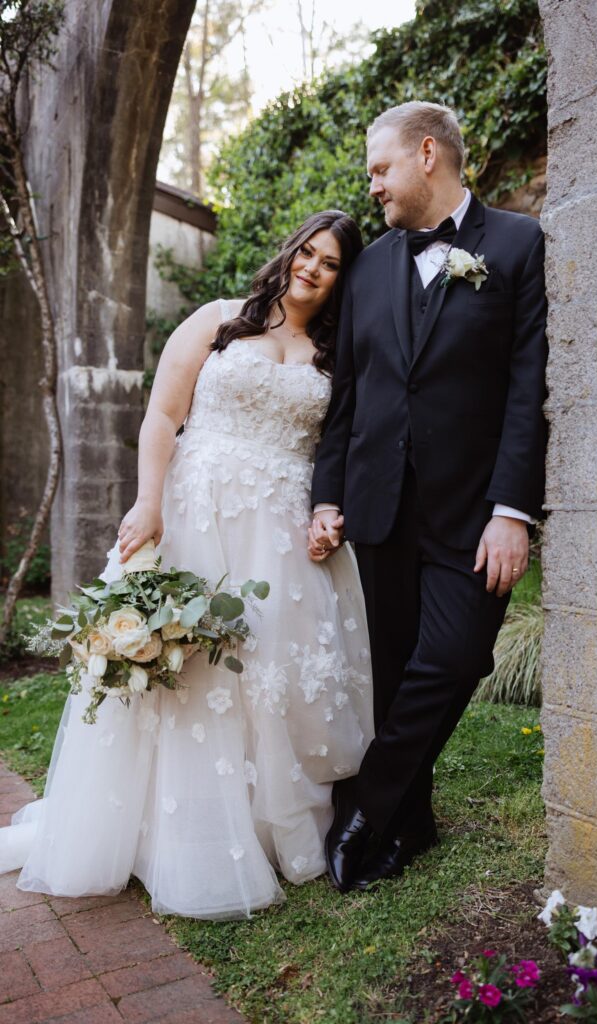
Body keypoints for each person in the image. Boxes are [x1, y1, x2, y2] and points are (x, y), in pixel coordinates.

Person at [0, 210, 374, 919]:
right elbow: (161, 417)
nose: (312, 269)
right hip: (197, 511)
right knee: (189, 667)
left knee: (272, 672)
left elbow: (340, 446)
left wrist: (328, 512)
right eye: (306, 252)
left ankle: (271, 823)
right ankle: (176, 829)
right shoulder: (218, 320)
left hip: (282, 530)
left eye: (329, 263)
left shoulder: (334, 354)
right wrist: (149, 506)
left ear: (339, 279)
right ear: (288, 250)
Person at [308, 102, 547, 892]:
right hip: (377, 507)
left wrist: (511, 509)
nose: (372, 185)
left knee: (452, 659)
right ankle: (411, 826)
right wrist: (327, 497)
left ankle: (363, 809)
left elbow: (527, 387)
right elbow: (350, 394)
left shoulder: (515, 244)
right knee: (393, 674)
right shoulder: (370, 264)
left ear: (425, 154)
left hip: (471, 512)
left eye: (379, 169)